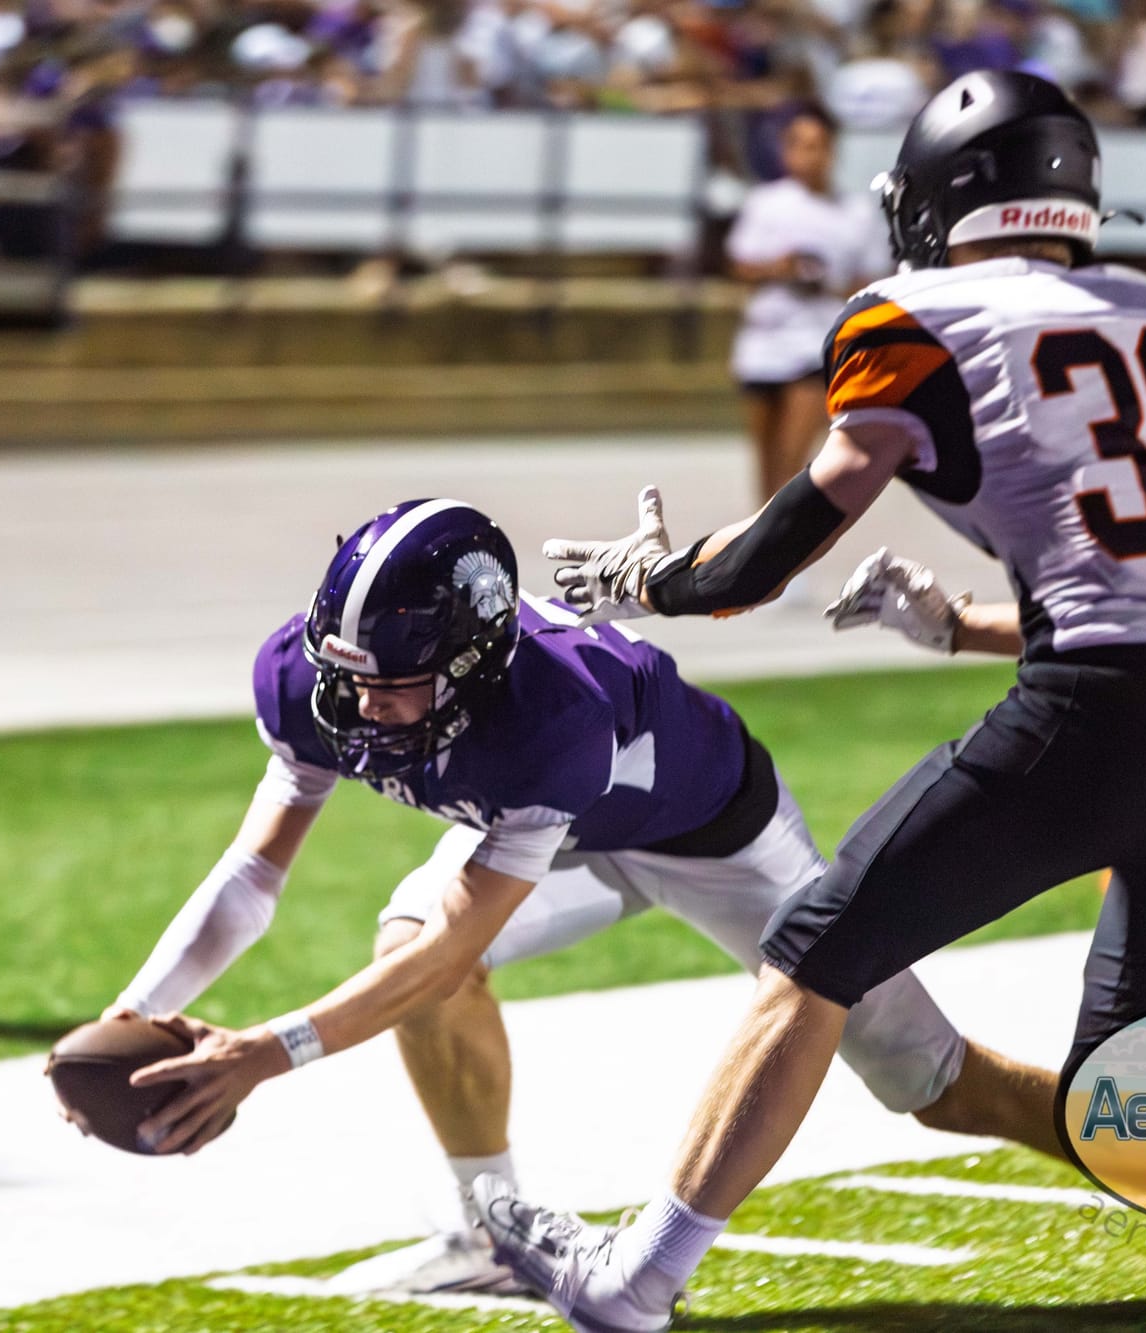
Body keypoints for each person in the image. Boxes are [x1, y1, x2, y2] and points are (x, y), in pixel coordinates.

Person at [478, 71, 1146, 1333]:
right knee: (1125, 1091)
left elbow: (770, 554)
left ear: (942, 198)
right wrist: (957, 625)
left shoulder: (912, 319)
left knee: (811, 954)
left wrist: (654, 579)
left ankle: (635, 1281)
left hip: (1093, 718)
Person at [108, 499, 1090, 1296]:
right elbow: (255, 871)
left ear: (472, 665)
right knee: (401, 939)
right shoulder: (310, 675)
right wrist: (133, 1010)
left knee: (936, 1084)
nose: (363, 707)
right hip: (564, 832)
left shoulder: (551, 711)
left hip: (715, 836)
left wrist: (264, 1052)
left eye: (397, 684)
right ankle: (487, 1231)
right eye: (347, 674)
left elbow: (451, 951)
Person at [726, 102, 890, 516]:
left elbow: (871, 281)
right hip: (765, 339)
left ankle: (781, 538)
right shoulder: (766, 203)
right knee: (765, 458)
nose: (809, 155)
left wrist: (826, 282)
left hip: (816, 342)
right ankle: (760, 535)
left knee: (793, 457)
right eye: (800, 145)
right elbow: (740, 265)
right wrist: (779, 268)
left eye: (817, 145)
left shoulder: (855, 212)